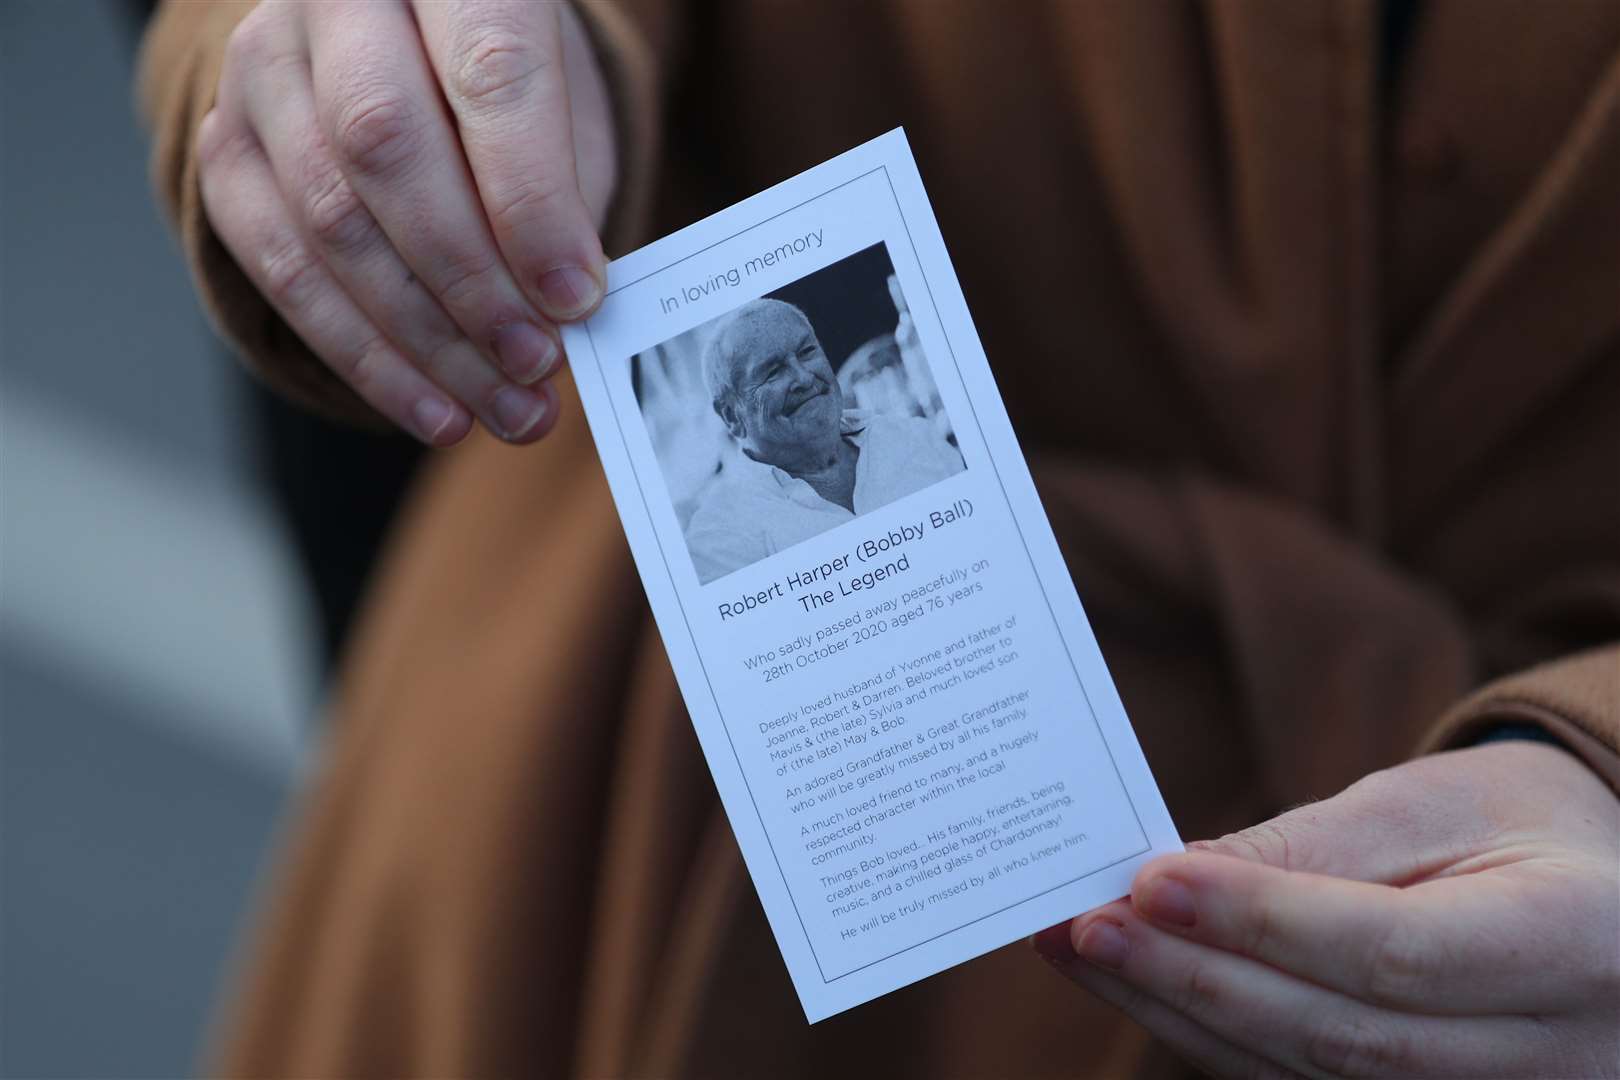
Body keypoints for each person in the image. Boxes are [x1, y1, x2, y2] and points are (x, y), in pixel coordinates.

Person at [136, 1, 1618, 1076]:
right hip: (625, 839)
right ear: (730, 414)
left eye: (804, 367)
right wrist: (412, 64)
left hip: (1512, 950)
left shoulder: (889, 428)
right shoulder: (725, 498)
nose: (797, 389)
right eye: (765, 377)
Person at [684, 299, 965, 583]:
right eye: (772, 372)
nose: (804, 377)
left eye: (807, 352)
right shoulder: (718, 540)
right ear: (732, 415)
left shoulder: (914, 438)